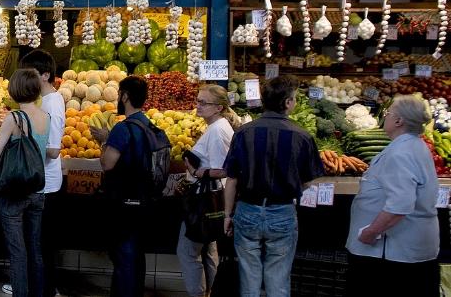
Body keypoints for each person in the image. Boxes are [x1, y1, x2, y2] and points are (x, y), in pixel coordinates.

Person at [223, 75, 324, 297]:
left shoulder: (244, 132)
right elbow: (308, 180)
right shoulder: (302, 136)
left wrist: (227, 215)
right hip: (282, 212)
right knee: (278, 280)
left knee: (249, 280)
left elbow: (231, 179)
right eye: (294, 99)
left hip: (247, 210)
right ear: (287, 103)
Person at [346, 95, 440, 297]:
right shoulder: (413, 145)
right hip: (405, 249)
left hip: (393, 254)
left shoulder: (401, 153)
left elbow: (400, 205)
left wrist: (371, 232)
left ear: (399, 121)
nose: (385, 117)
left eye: (388, 113)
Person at [0, 50, 64, 297]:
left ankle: (42, 288)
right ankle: (34, 286)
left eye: (32, 74)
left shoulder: (51, 103)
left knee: (36, 245)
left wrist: (24, 145)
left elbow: (54, 150)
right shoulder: (44, 102)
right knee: (34, 243)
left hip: (42, 182)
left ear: (45, 75)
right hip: (38, 181)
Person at [0, 69, 50, 297]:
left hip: (13, 193)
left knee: (17, 252)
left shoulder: (14, 118)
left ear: (14, 90)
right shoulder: (46, 117)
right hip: (37, 190)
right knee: (35, 249)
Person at [91, 76, 151, 297]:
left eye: (119, 94)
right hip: (145, 199)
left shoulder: (122, 128)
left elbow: (107, 163)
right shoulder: (148, 124)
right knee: (137, 254)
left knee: (124, 254)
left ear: (125, 96)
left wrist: (103, 142)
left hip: (124, 202)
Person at [178, 84, 240, 297]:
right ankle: (210, 292)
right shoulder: (218, 126)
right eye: (198, 100)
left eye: (204, 102)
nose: (198, 105)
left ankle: (199, 293)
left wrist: (197, 172)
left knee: (188, 252)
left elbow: (224, 170)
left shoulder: (217, 131)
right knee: (208, 249)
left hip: (206, 200)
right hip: (212, 201)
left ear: (219, 108)